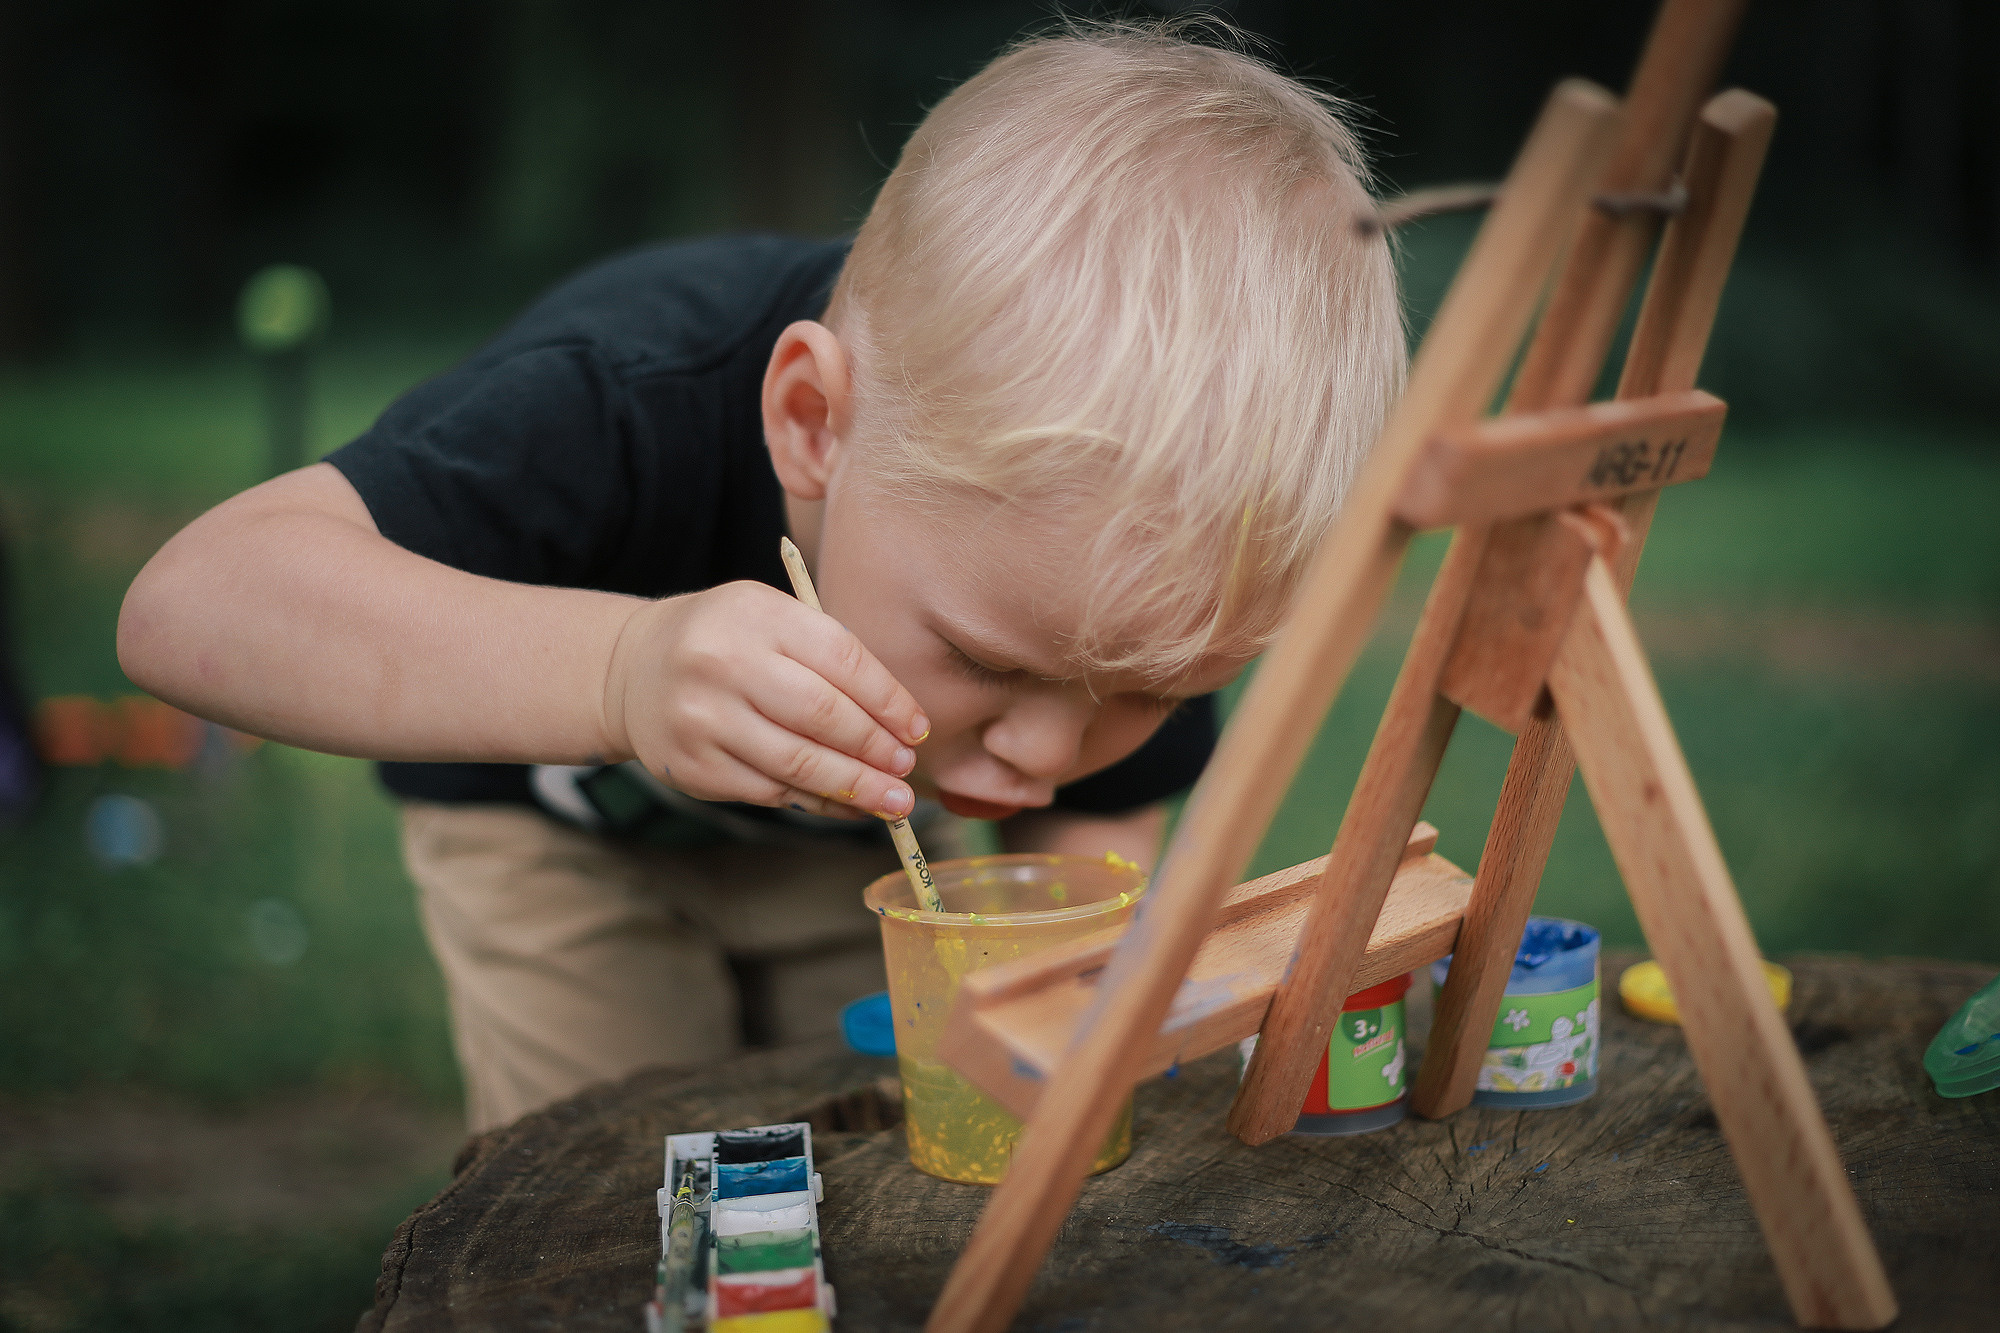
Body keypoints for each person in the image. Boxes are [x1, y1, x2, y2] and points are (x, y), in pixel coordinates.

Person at [117, 21, 1403, 1133]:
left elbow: (1089, 840)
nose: (1045, 751)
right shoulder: (616, 399)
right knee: (616, 1171)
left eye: (1149, 690)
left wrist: (1051, 984)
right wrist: (621, 672)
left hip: (850, 853)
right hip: (556, 838)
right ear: (810, 421)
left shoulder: (1126, 588)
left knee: (875, 1127)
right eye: (991, 663)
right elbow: (191, 606)